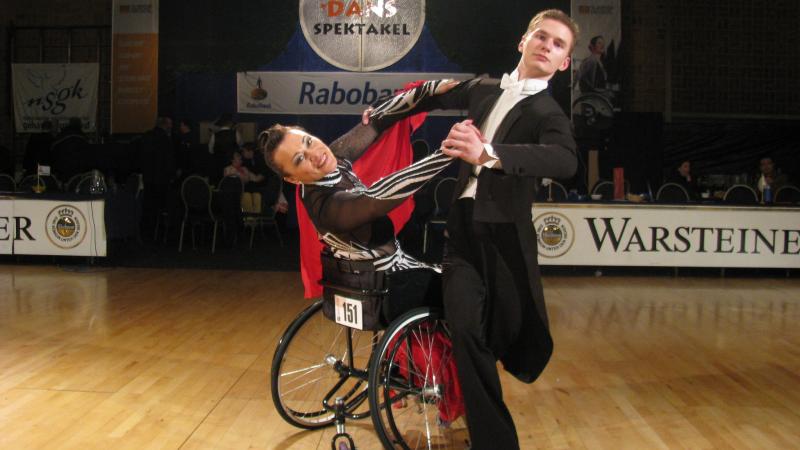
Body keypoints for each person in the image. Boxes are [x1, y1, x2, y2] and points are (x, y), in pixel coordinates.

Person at [360, 9, 579, 449]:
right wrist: (382, 114)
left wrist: (490, 153)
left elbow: (565, 160)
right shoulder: (484, 88)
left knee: (505, 334)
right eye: (541, 36)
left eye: (558, 44)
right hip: (461, 234)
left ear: (564, 63)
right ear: (523, 41)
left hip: (506, 241)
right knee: (466, 334)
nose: (547, 46)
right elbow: (431, 95)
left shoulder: (548, 112)